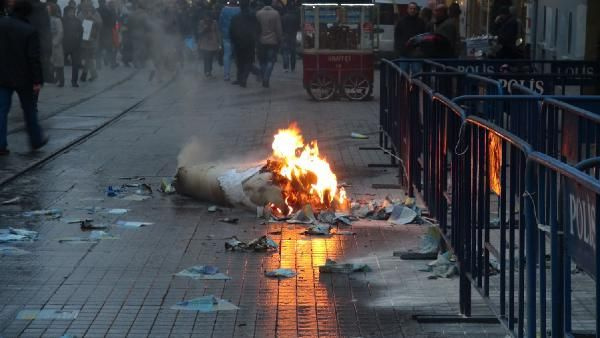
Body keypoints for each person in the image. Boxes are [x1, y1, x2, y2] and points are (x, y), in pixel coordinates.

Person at [0, 0, 48, 155]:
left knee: (1, 111)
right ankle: (36, 140)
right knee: (29, 110)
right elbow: (34, 58)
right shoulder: (30, 30)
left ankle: (0, 144)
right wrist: (37, 80)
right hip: (24, 78)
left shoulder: (1, 24)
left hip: (2, 76)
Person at [230, 0, 259, 87]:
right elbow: (257, 28)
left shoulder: (235, 17)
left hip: (238, 42)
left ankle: (241, 79)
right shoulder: (252, 16)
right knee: (248, 61)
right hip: (249, 42)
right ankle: (243, 78)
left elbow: (231, 31)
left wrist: (233, 41)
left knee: (240, 61)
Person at [256, 0, 282, 88]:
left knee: (262, 61)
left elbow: (256, 28)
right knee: (271, 61)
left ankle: (264, 76)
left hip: (261, 40)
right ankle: (266, 78)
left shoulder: (258, 14)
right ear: (271, 3)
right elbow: (278, 28)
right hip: (273, 41)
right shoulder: (276, 13)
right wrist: (279, 38)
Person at [27, 0, 53, 83]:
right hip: (41, 39)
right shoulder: (43, 9)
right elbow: (47, 28)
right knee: (40, 61)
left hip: (28, 37)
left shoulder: (25, 7)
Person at [78, 2, 102, 81]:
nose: (87, 8)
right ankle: (91, 74)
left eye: (88, 6)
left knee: (89, 57)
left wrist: (92, 17)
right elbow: (78, 24)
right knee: (88, 57)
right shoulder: (81, 14)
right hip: (84, 39)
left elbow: (100, 24)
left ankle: (86, 74)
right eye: (85, 6)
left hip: (93, 39)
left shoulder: (95, 13)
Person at [218, 1, 240, 81]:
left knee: (227, 55)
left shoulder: (224, 10)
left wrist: (222, 32)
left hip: (226, 35)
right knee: (238, 55)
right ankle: (239, 74)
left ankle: (226, 75)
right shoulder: (239, 10)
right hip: (237, 36)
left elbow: (220, 23)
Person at [62, 5, 82, 87]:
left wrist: (78, 37)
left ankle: (74, 81)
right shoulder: (63, 21)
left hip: (75, 46)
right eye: (70, 12)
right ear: (66, 12)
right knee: (60, 63)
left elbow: (81, 31)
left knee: (75, 65)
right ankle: (59, 79)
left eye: (73, 12)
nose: (72, 13)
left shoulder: (77, 21)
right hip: (65, 45)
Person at [197, 11, 220, 78]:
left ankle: (209, 71)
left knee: (210, 58)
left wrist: (219, 42)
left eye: (208, 17)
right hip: (205, 43)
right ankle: (207, 72)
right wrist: (204, 29)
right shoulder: (201, 22)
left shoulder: (214, 22)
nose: (207, 18)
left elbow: (217, 32)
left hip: (212, 43)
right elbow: (199, 32)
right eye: (206, 16)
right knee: (206, 58)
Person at [96, 0, 117, 68]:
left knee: (100, 48)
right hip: (106, 30)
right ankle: (111, 63)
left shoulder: (97, 10)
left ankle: (99, 64)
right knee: (108, 48)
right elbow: (113, 21)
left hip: (101, 30)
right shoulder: (109, 11)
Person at [48, 3, 64, 87]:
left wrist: (55, 42)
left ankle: (61, 80)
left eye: (49, 9)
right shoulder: (47, 19)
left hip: (56, 44)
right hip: (48, 43)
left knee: (59, 64)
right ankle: (53, 78)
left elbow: (60, 32)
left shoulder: (57, 20)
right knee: (51, 62)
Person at [281, 5, 299, 72]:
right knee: (293, 53)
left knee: (285, 52)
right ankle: (293, 68)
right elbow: (297, 27)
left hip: (285, 36)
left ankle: (286, 67)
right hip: (293, 36)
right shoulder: (295, 17)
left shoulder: (283, 17)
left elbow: (281, 28)